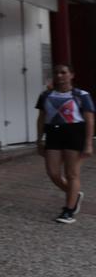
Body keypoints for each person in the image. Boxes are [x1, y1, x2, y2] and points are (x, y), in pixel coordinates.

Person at [36, 63, 94, 224]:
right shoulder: (45, 95)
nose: (60, 75)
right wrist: (39, 139)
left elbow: (89, 119)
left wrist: (88, 143)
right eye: (57, 73)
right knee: (53, 172)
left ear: (72, 75)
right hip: (53, 134)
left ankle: (69, 210)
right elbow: (41, 118)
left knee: (71, 174)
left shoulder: (82, 95)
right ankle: (74, 193)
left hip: (74, 134)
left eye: (63, 72)